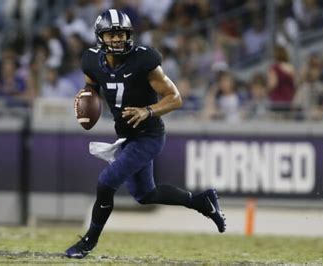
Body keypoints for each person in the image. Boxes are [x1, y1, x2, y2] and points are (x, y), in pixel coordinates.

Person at [65, 9, 226, 259]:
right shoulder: (90, 61)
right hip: (127, 137)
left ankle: (88, 242)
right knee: (145, 194)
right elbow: (91, 85)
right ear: (101, 37)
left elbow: (175, 98)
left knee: (106, 183)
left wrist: (147, 111)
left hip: (149, 136)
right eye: (112, 34)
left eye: (121, 34)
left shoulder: (144, 61)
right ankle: (202, 202)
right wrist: (87, 99)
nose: (118, 39)